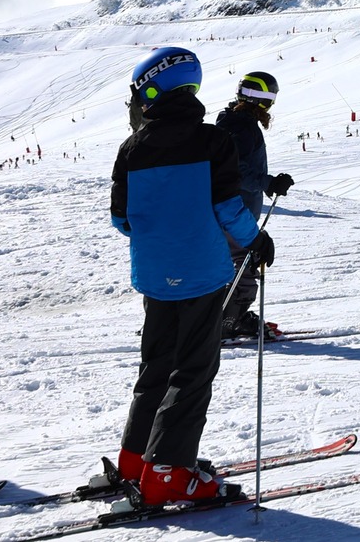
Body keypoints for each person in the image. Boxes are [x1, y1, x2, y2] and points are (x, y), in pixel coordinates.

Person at [111, 47, 269, 505]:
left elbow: (122, 219)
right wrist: (255, 239)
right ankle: (169, 473)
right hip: (201, 272)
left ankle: (136, 459)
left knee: (157, 365)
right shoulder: (210, 140)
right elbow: (226, 207)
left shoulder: (132, 148)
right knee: (194, 369)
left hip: (156, 276)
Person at [212, 72, 294, 341]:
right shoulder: (243, 128)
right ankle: (229, 321)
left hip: (229, 210)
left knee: (231, 264)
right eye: (270, 100)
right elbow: (236, 169)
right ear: (261, 100)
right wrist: (268, 182)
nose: (270, 107)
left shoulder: (230, 121)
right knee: (245, 265)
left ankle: (217, 316)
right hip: (235, 211)